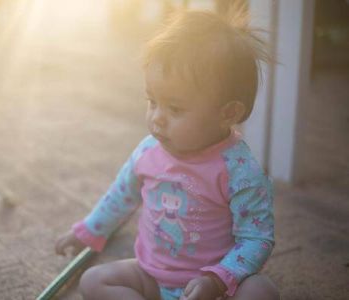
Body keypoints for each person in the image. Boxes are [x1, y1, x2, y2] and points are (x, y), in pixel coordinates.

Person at [55, 7, 280, 300]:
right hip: (150, 276)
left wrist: (218, 280)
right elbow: (121, 195)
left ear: (228, 113)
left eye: (175, 108)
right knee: (94, 281)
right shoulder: (149, 150)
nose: (157, 118)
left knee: (261, 291)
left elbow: (257, 238)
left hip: (214, 288)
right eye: (152, 101)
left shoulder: (239, 170)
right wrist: (87, 230)